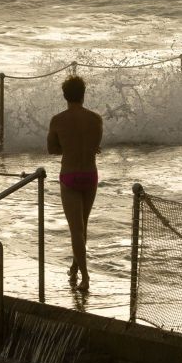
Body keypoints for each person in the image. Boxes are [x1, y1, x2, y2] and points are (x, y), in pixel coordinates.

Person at [47, 75, 102, 292]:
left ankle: (85, 278)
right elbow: (95, 145)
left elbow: (52, 149)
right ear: (83, 94)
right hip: (90, 175)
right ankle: (75, 267)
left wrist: (66, 148)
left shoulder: (58, 120)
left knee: (75, 230)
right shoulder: (96, 119)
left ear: (64, 96)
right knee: (83, 226)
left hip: (69, 176)